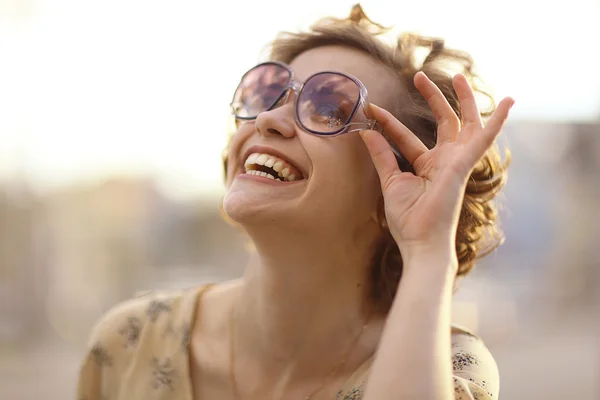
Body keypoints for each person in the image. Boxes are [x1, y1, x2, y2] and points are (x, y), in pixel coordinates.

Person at [76, 4, 513, 400]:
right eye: (267, 94)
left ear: (396, 185)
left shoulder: (450, 369)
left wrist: (427, 250)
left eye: (328, 107)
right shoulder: (128, 344)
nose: (268, 119)